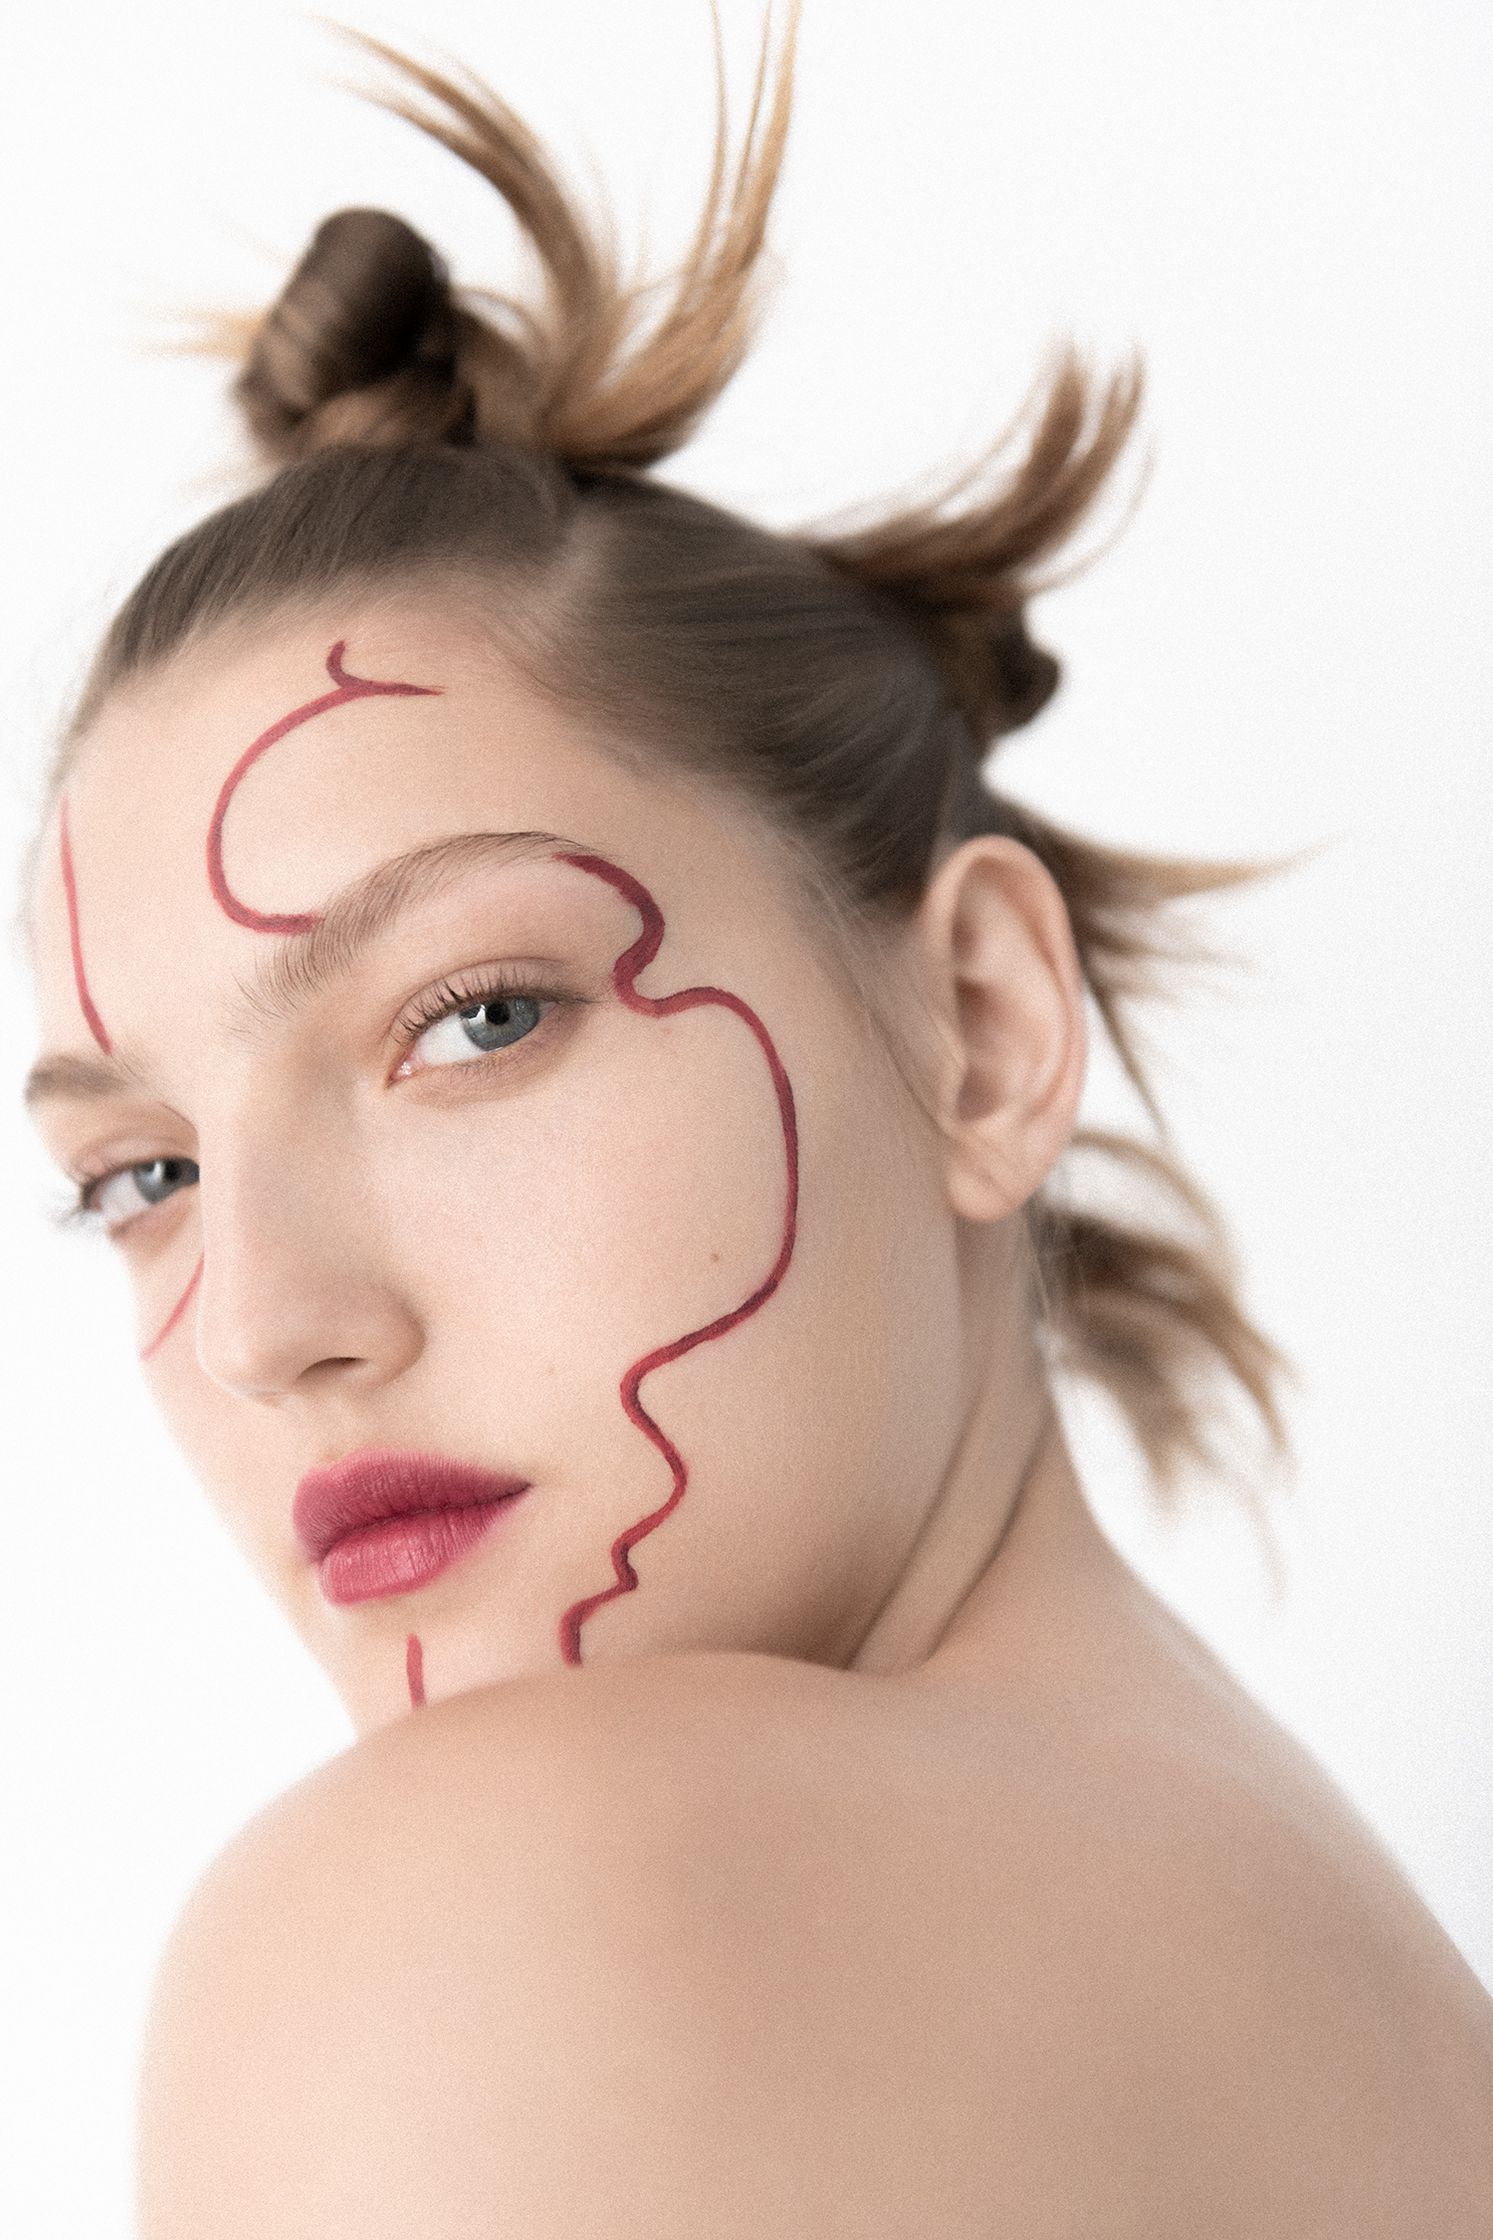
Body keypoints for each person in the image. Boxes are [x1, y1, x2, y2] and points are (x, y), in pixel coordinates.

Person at [21, 10, 1493, 2234]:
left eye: (478, 1014)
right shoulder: (1363, 1998)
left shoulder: (472, 1911)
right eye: (145, 1172)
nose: (265, 1321)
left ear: (981, 1027)